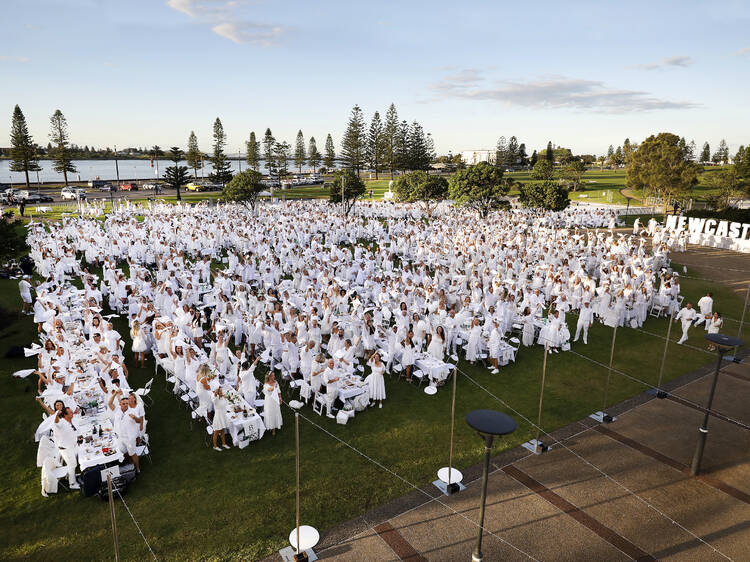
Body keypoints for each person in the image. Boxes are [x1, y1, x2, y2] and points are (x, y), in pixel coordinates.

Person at [108, 390, 141, 473]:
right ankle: (128, 466)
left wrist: (134, 418)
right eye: (123, 403)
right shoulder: (117, 410)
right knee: (122, 452)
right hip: (119, 437)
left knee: (132, 453)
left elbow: (139, 421)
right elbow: (109, 403)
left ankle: (137, 469)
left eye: (127, 403)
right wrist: (115, 394)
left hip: (129, 438)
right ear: (120, 404)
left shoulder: (132, 411)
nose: (126, 405)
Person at [52, 406, 80, 490]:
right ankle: (72, 484)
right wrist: (56, 414)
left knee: (74, 463)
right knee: (72, 465)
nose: (73, 413)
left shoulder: (71, 421)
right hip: (65, 449)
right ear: (65, 415)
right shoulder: (62, 423)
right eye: (71, 412)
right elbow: (56, 422)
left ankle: (70, 476)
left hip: (72, 446)